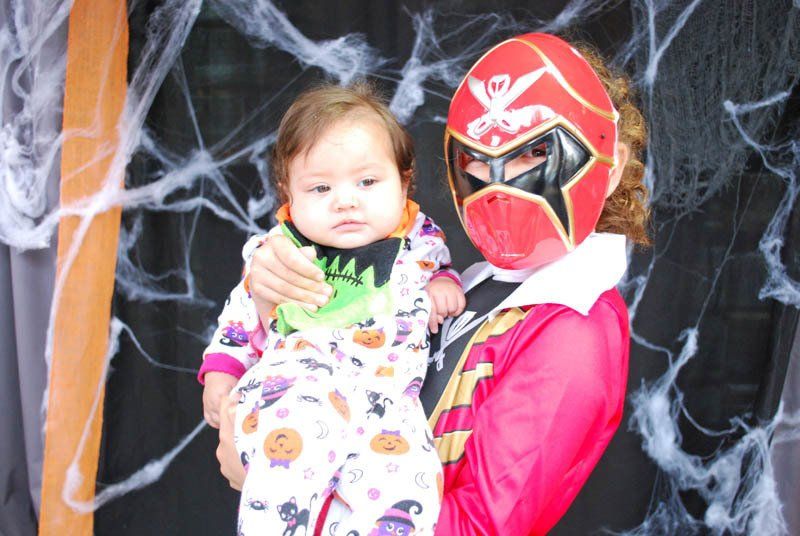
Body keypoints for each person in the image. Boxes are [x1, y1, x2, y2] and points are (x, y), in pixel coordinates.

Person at [217, 33, 650, 535]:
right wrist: (273, 299)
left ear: (611, 163)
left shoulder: (572, 332)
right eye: (479, 163)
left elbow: (478, 529)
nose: (502, 185)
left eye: (533, 155)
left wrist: (276, 480)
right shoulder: (486, 282)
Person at [199, 84, 466, 535]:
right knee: (285, 477)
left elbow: (438, 264)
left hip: (388, 407)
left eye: (367, 182)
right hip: (298, 392)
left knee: (412, 491)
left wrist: (443, 282)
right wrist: (222, 372)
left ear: (404, 182)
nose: (345, 201)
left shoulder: (417, 241)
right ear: (289, 193)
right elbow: (241, 313)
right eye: (320, 187)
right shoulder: (285, 250)